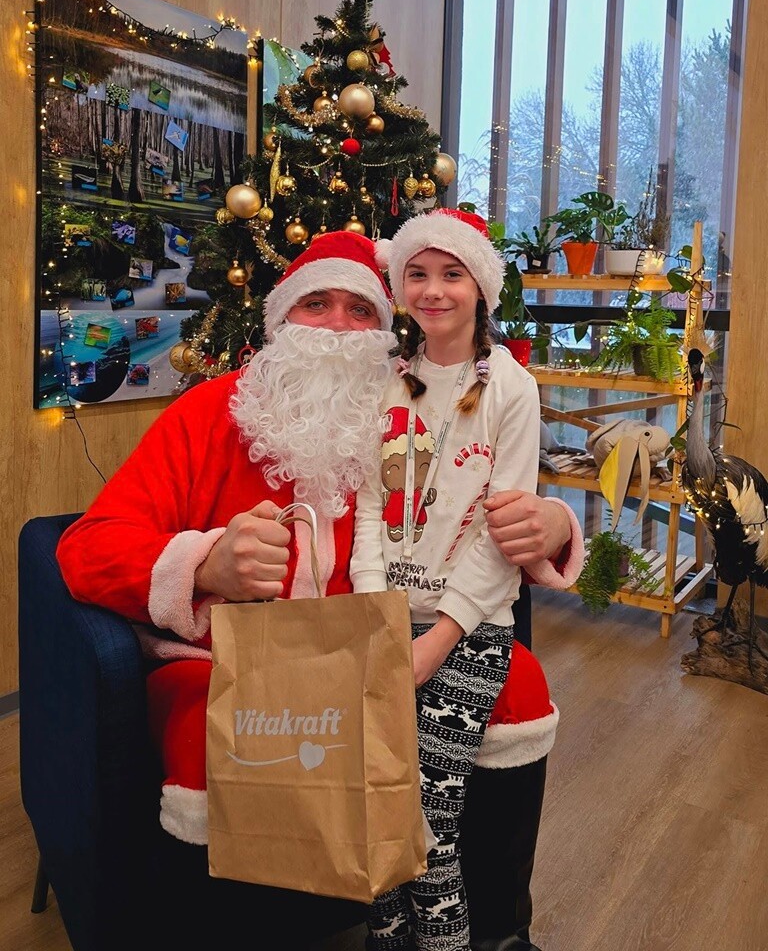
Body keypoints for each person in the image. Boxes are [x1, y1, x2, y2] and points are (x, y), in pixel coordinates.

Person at [56, 230, 583, 949]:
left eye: (360, 310)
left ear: (386, 327)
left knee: (515, 679)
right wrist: (205, 566)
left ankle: (498, 934)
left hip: (382, 645)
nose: (338, 326)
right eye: (316, 304)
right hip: (225, 661)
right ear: (280, 319)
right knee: (209, 729)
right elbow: (86, 547)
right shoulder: (207, 413)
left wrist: (551, 523)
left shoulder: (408, 407)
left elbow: (474, 505)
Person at [349, 209, 545, 951]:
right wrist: (376, 614)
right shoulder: (387, 382)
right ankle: (388, 938)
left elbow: (503, 534)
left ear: (481, 288)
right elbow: (371, 508)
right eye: (418, 275)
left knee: (429, 824)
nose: (433, 291)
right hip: (383, 619)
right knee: (374, 807)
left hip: (470, 628)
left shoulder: (511, 389)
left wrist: (436, 641)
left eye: (451, 274)